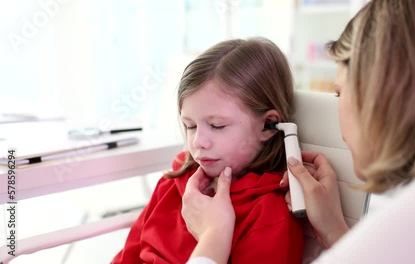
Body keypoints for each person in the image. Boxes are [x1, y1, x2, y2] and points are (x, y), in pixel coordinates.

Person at [182, 0, 415, 263]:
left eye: (339, 93)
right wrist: (334, 229)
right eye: (190, 125)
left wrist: (213, 237)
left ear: (379, 96)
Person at [111, 38, 304, 264]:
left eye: (217, 126)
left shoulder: (268, 216)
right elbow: (127, 257)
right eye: (190, 126)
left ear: (268, 125)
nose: (198, 142)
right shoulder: (172, 183)